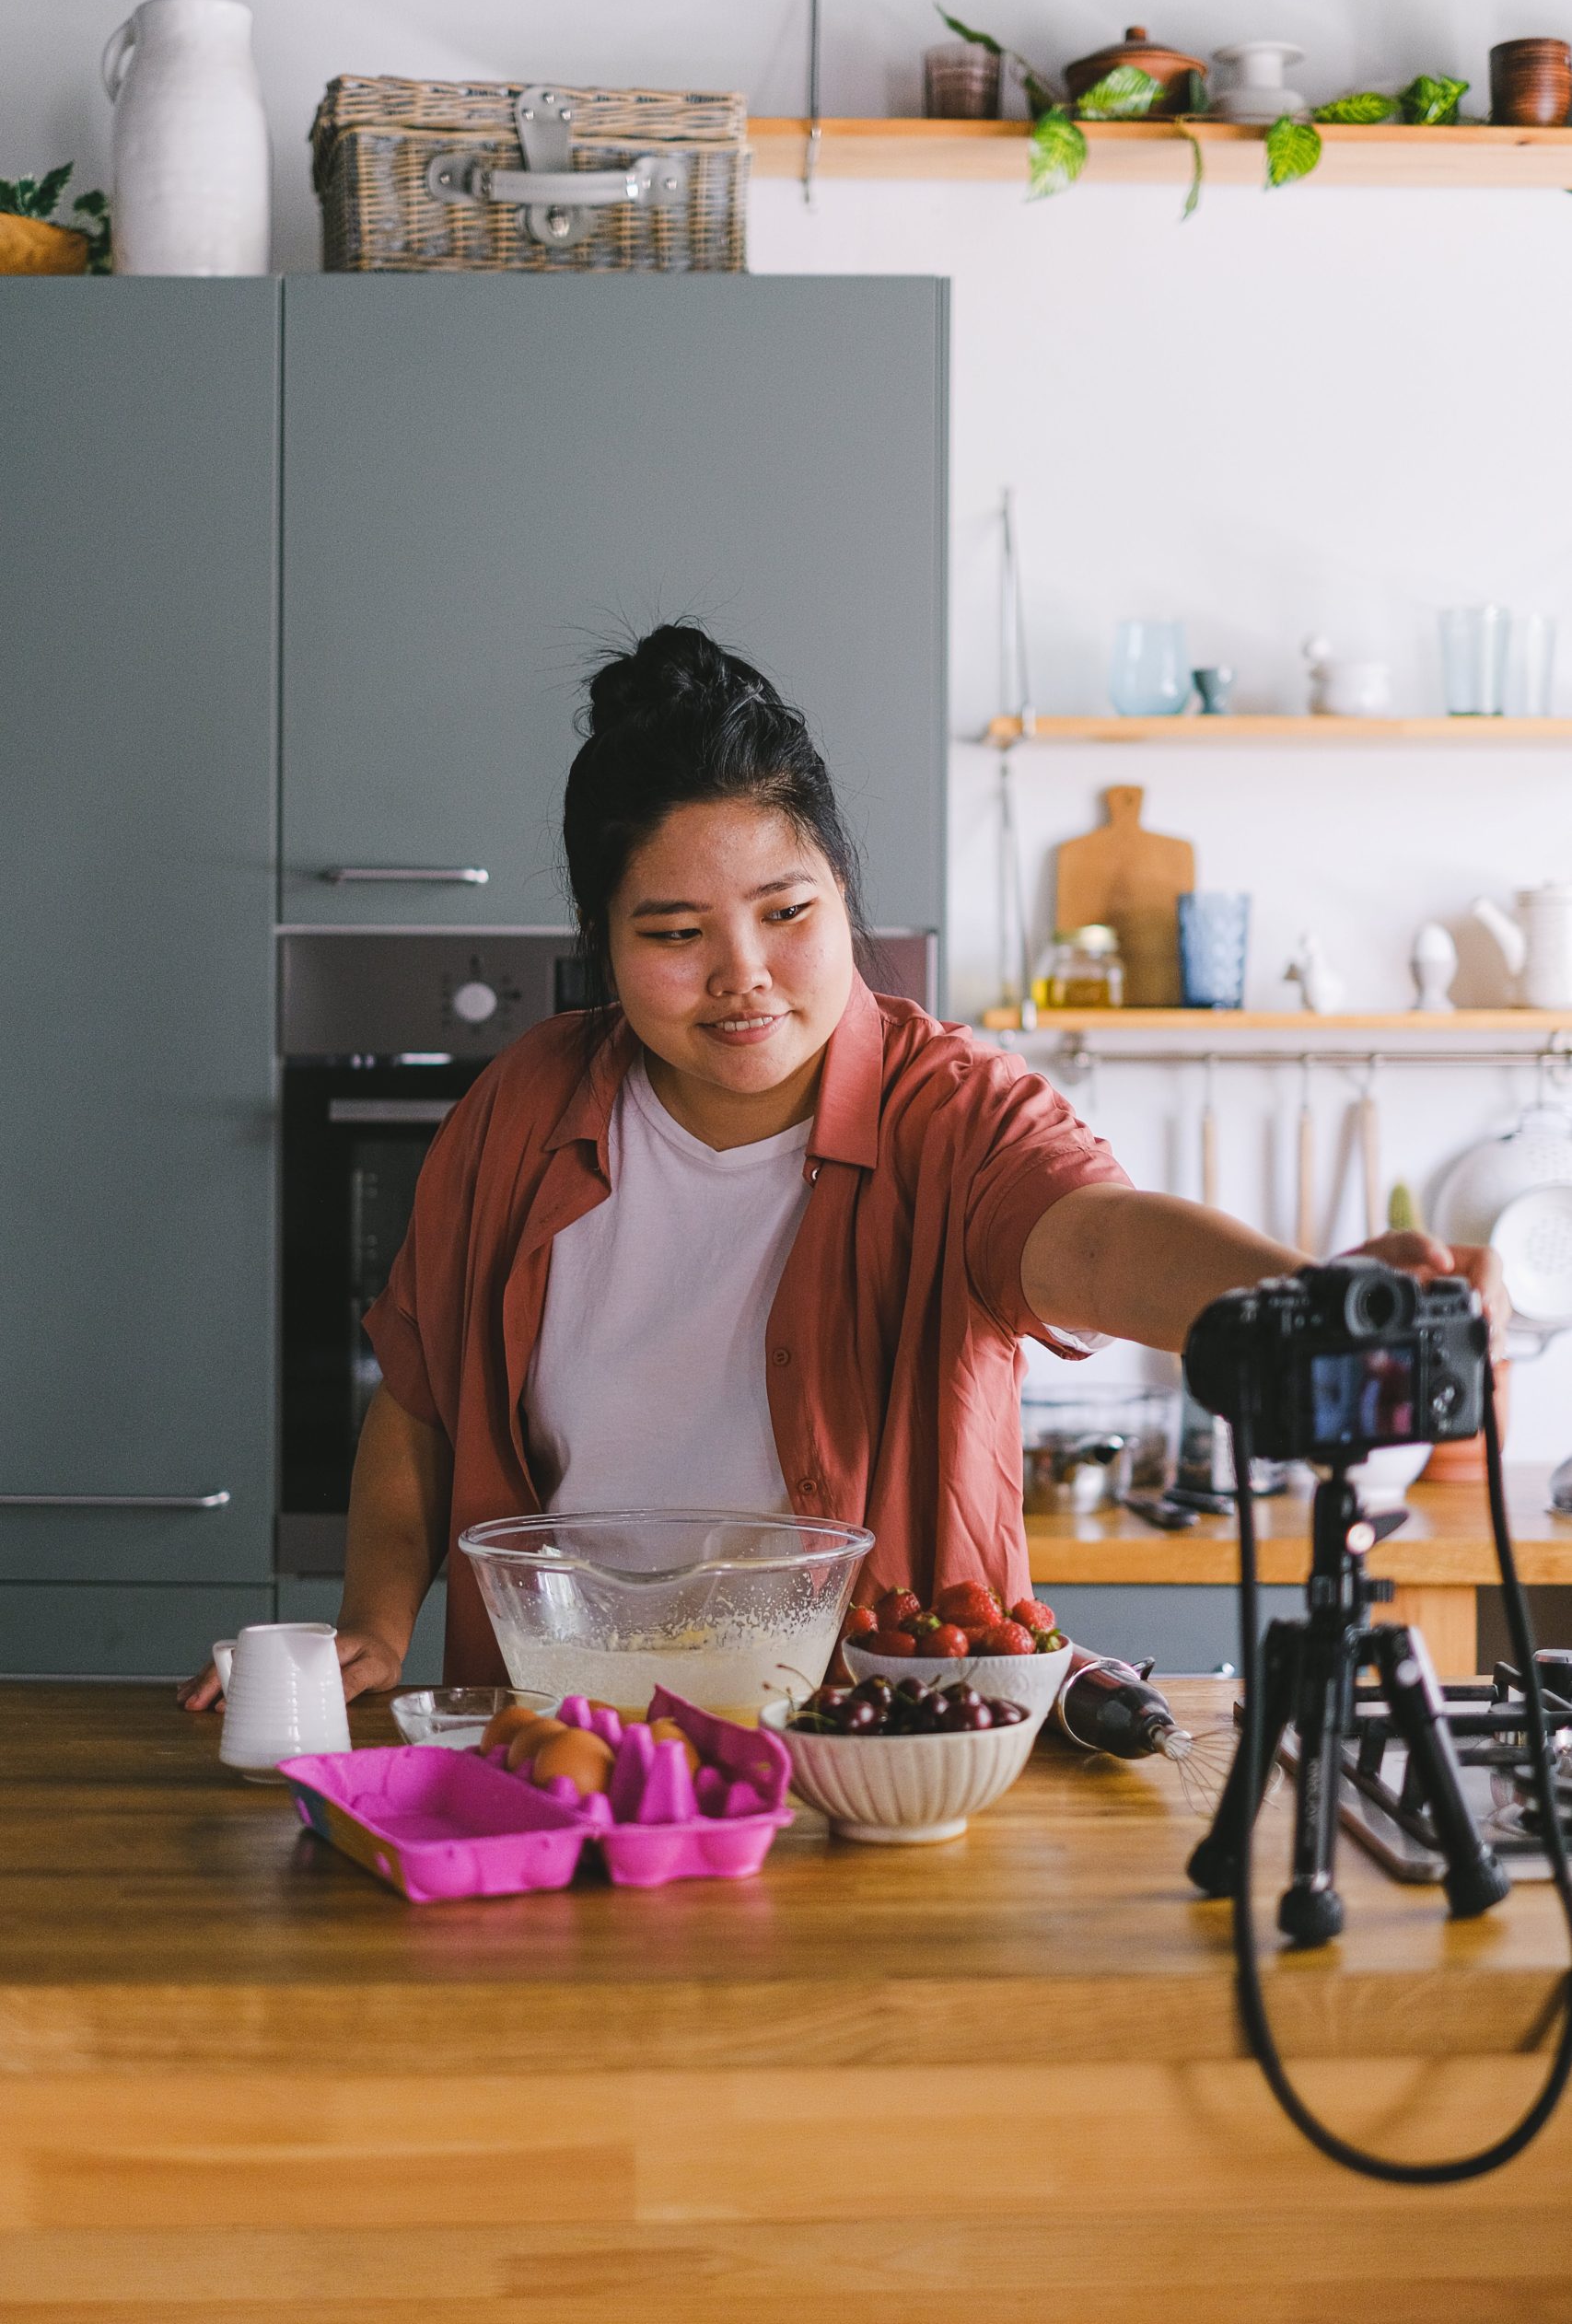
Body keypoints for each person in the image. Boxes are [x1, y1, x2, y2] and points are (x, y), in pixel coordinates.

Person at [180, 625, 1504, 1709]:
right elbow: (416, 1402)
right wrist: (366, 1622)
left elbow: (1093, 1240)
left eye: (787, 912)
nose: (742, 976)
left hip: (868, 1752)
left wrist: (1315, 1301)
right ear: (600, 939)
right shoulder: (522, 1111)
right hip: (569, 1744)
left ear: (844, 892)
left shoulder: (948, 1110)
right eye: (675, 930)